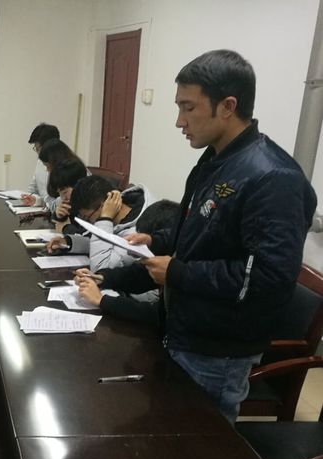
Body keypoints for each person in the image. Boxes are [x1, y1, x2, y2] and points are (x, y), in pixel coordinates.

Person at [97, 50, 317, 423]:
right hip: (182, 328)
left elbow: (267, 278)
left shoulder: (273, 178)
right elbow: (199, 232)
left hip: (218, 350)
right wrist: (153, 244)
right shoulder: (214, 159)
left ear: (227, 106)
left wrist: (177, 272)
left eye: (188, 108)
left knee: (198, 446)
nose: (179, 121)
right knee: (167, 433)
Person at [74, 200, 181, 327]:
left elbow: (157, 315)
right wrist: (100, 277)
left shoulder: (182, 270)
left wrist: (102, 300)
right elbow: (139, 275)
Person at [46, 175, 156, 271]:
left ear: (105, 204)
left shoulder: (139, 231)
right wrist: (69, 243)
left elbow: (101, 268)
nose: (90, 223)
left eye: (87, 218)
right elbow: (103, 244)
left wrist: (105, 218)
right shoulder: (122, 218)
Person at [21, 123, 60, 207]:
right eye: (35, 148)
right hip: (44, 208)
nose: (38, 153)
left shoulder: (67, 167)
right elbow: (33, 187)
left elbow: (61, 202)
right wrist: (28, 197)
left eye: (38, 148)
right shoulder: (41, 161)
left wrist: (41, 202)